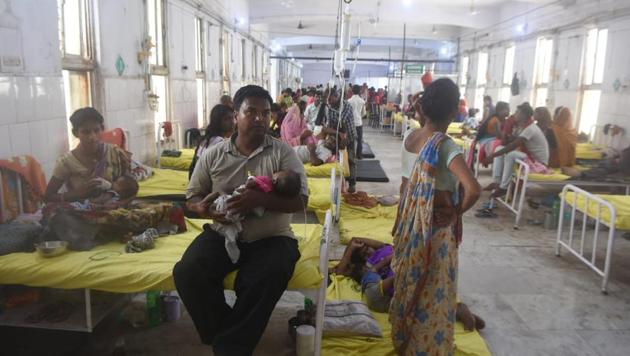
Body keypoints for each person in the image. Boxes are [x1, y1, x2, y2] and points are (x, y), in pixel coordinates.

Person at [174, 85, 308, 356]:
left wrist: (260, 200)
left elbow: (301, 201)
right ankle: (226, 334)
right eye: (251, 111)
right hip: (223, 233)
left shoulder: (283, 153)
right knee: (187, 272)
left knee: (264, 276)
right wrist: (205, 209)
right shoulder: (214, 154)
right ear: (236, 115)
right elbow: (192, 198)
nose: (259, 118)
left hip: (271, 238)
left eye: (265, 113)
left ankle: (230, 347)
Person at [390, 78, 481, 355]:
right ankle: (430, 346)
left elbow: (406, 186)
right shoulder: (445, 146)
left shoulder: (411, 138)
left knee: (412, 281)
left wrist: (402, 220)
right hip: (436, 232)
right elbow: (474, 189)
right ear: (453, 112)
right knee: (435, 288)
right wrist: (456, 212)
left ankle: (407, 339)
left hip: (411, 225)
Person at [332, 237, 486, 331]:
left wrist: (358, 244)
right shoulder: (366, 267)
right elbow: (340, 271)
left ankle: (454, 310)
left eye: (367, 248)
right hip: (396, 283)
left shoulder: (384, 248)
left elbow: (355, 238)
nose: (367, 251)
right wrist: (352, 249)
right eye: (363, 253)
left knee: (416, 302)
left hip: (407, 270)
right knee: (415, 305)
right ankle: (455, 310)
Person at [211, 171, 302, 264]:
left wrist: (262, 199)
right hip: (220, 232)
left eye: (278, 173)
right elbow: (196, 195)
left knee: (278, 264)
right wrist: (207, 211)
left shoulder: (269, 180)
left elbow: (302, 202)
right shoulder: (212, 157)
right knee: (198, 262)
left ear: (275, 181)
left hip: (274, 238)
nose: (274, 172)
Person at [45, 107, 131, 203]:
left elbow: (130, 187)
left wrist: (112, 189)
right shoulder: (66, 163)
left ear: (102, 129)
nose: (92, 137)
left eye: (96, 130)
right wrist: (77, 193)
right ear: (75, 133)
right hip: (81, 213)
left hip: (116, 210)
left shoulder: (114, 153)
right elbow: (48, 197)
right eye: (85, 132)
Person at [482, 102, 550, 195]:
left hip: (537, 161)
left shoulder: (530, 128)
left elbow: (512, 146)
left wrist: (491, 156)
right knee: (499, 148)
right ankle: (496, 181)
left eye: (517, 112)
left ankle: (503, 187)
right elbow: (506, 142)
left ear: (524, 116)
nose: (514, 114)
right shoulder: (520, 127)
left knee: (511, 154)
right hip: (528, 156)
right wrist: (507, 127)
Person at [321, 88, 358, 193]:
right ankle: (339, 183)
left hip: (349, 136)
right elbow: (328, 126)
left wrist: (337, 134)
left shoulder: (346, 106)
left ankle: (352, 183)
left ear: (336, 96)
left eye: (329, 98)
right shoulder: (330, 107)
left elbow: (341, 124)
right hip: (338, 135)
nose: (328, 101)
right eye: (326, 99)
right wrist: (335, 134)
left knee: (350, 159)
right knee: (335, 159)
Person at [189, 104, 235, 179]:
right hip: (204, 184)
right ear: (217, 122)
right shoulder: (219, 142)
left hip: (195, 180)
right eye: (227, 119)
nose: (232, 122)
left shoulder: (207, 138)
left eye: (233, 118)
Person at [70, 175, 138, 210]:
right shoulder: (118, 198)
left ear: (122, 191)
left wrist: (95, 201)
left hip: (90, 207)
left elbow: (102, 200)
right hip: (96, 206)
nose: (113, 183)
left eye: (117, 183)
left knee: (77, 206)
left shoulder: (113, 193)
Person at [347, 85, 366, 159]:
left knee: (351, 140)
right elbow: (364, 113)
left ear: (352, 91)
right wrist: (359, 116)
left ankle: (351, 155)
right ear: (359, 91)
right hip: (359, 122)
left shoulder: (349, 101)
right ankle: (359, 155)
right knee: (359, 140)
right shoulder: (362, 101)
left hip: (351, 123)